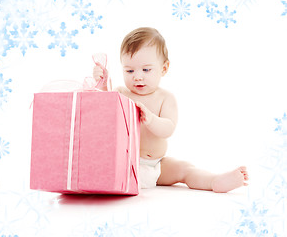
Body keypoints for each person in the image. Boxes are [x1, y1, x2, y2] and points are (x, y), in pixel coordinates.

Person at [93, 27, 248, 192]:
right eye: (129, 70)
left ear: (164, 68)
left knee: (184, 169)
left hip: (158, 165)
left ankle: (213, 181)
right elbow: (104, 109)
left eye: (146, 69)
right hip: (126, 164)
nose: (137, 76)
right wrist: (102, 85)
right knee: (101, 164)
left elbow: (168, 128)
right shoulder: (121, 93)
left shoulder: (165, 98)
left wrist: (151, 119)